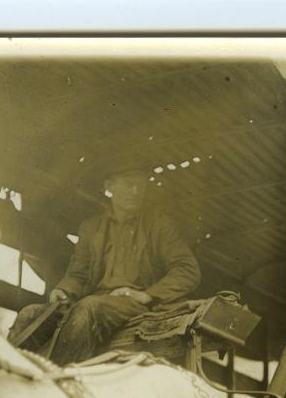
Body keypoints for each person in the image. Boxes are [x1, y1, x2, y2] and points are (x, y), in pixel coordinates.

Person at [13, 150, 201, 364]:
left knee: (88, 308)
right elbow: (78, 274)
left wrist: (147, 295)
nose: (136, 191)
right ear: (109, 187)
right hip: (94, 302)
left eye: (141, 185)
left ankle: (59, 380)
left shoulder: (158, 225)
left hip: (130, 304)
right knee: (29, 314)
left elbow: (188, 270)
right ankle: (5, 377)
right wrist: (63, 289)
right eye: (129, 184)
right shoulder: (90, 228)